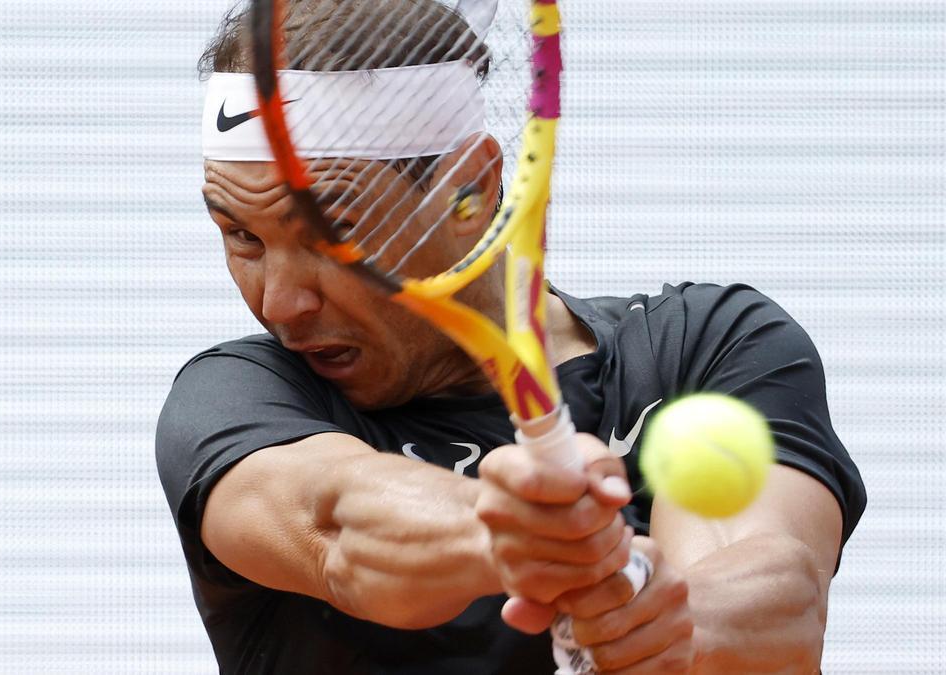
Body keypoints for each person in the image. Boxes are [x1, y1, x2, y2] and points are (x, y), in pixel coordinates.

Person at [157, 1, 866, 672]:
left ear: (471, 192)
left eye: (331, 232)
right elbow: (336, 524)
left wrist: (661, 619)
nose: (280, 300)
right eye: (241, 235)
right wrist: (508, 531)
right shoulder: (237, 396)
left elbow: (783, 603)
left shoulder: (709, 347)